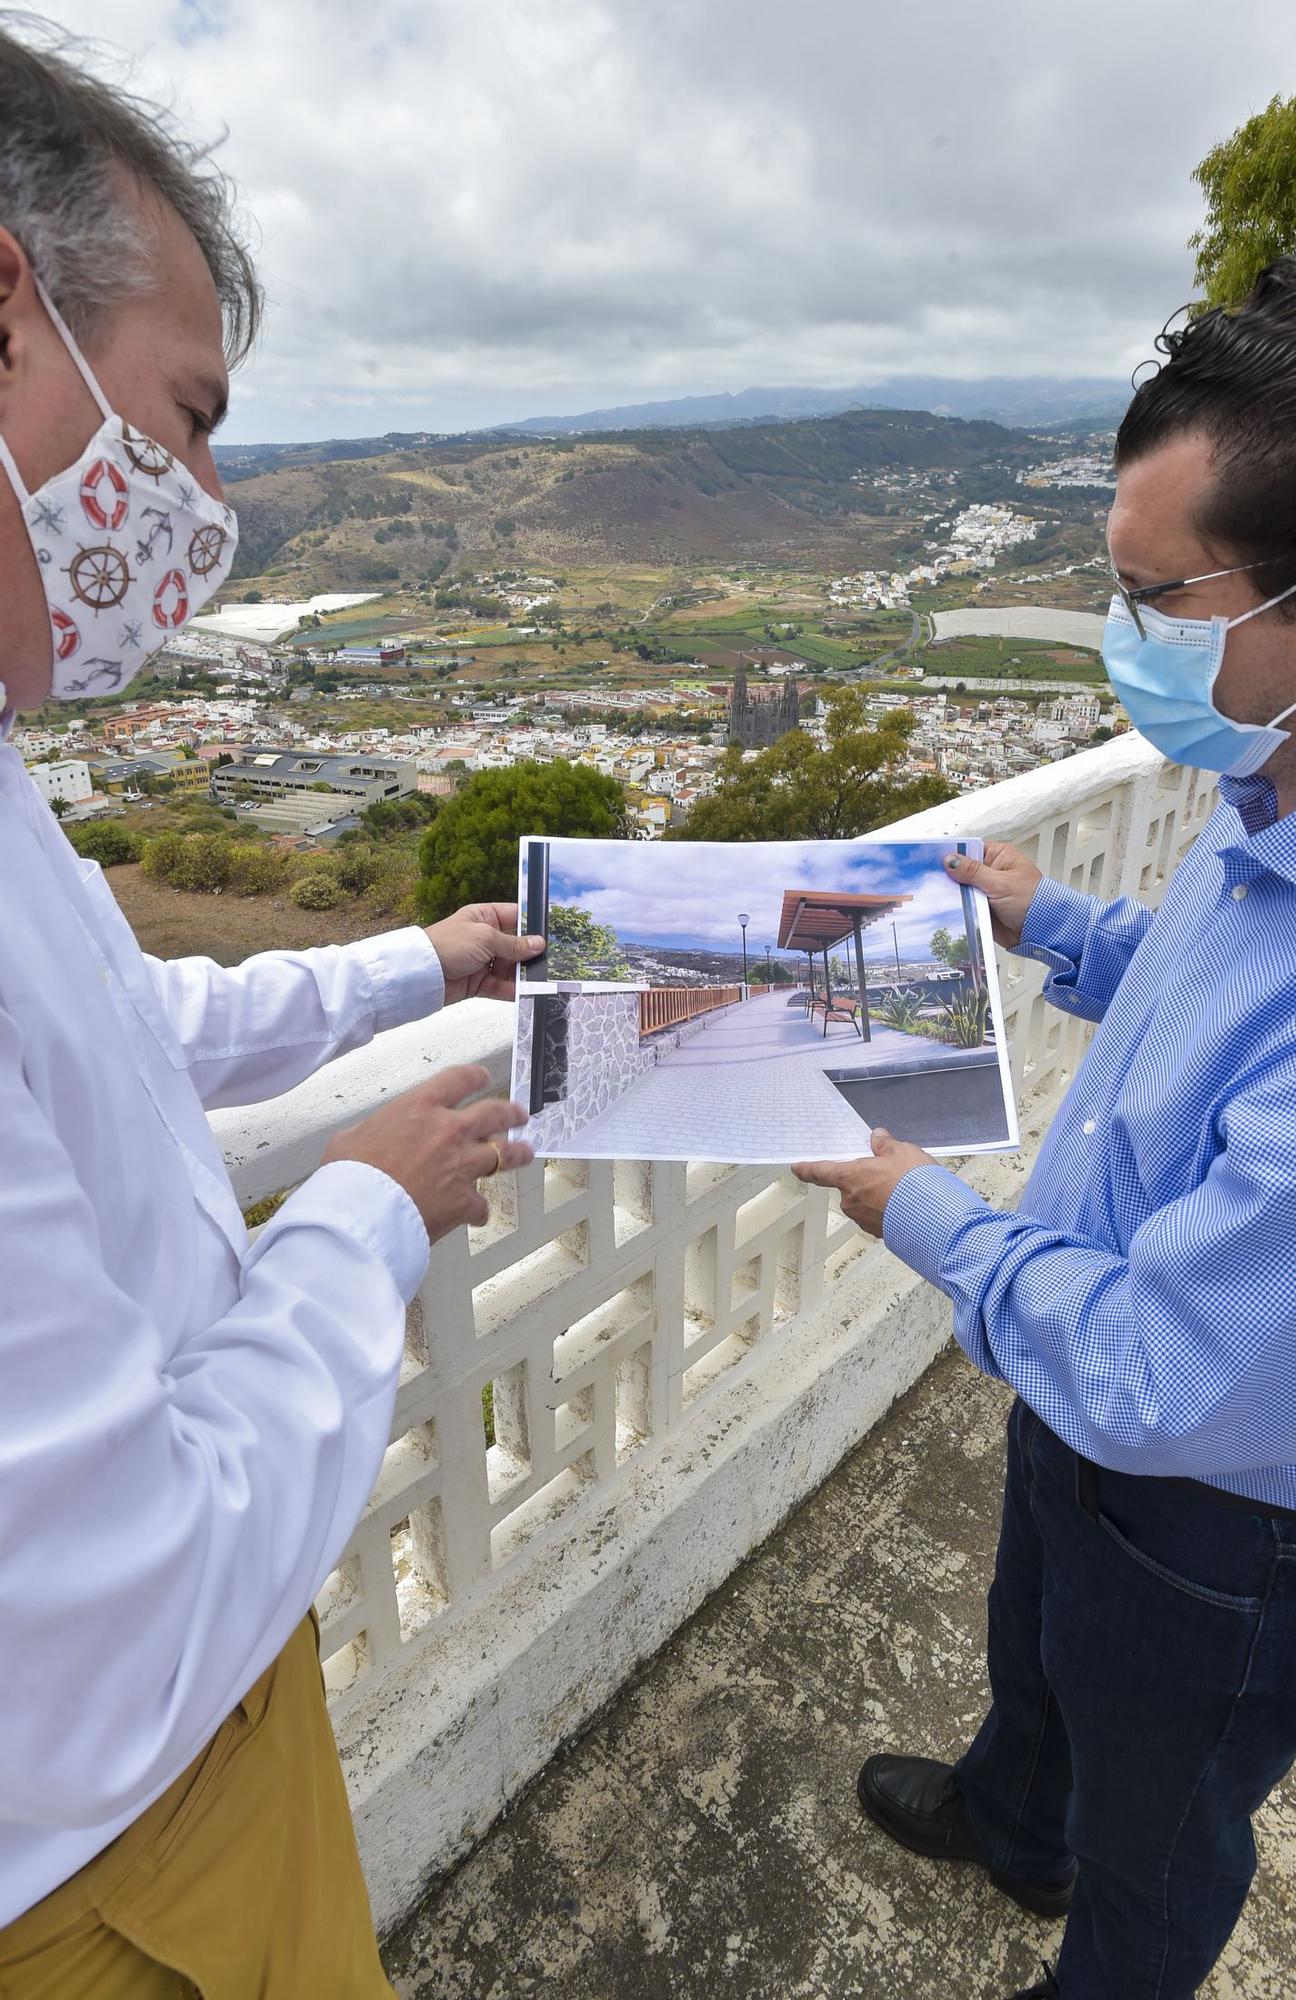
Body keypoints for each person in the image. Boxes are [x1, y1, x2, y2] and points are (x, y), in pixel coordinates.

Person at [0, 22, 540, 1997]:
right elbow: (106, 1624)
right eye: (188, 411)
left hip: (191, 1762)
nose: (206, 497)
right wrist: (363, 1205)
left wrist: (416, 960)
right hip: (110, 1869)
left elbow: (110, 1034)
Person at [795, 255, 1296, 2000]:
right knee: (1037, 1644)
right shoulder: (1280, 789)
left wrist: (920, 1207)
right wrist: (1060, 925)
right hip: (1081, 1394)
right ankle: (1012, 1812)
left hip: (1222, 1523)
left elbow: (1174, 1376)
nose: (1126, 642)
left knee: (1162, 1823)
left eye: (1159, 599)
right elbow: (1211, 1004)